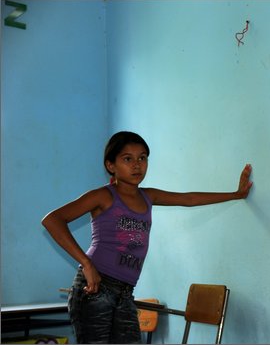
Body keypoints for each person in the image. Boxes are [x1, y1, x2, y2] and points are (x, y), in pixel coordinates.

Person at [41, 131, 253, 344]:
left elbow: (188, 199)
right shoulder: (103, 196)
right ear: (111, 165)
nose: (137, 165)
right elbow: (53, 220)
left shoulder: (148, 196)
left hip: (125, 292)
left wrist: (236, 194)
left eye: (142, 158)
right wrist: (86, 263)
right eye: (127, 159)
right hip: (96, 288)